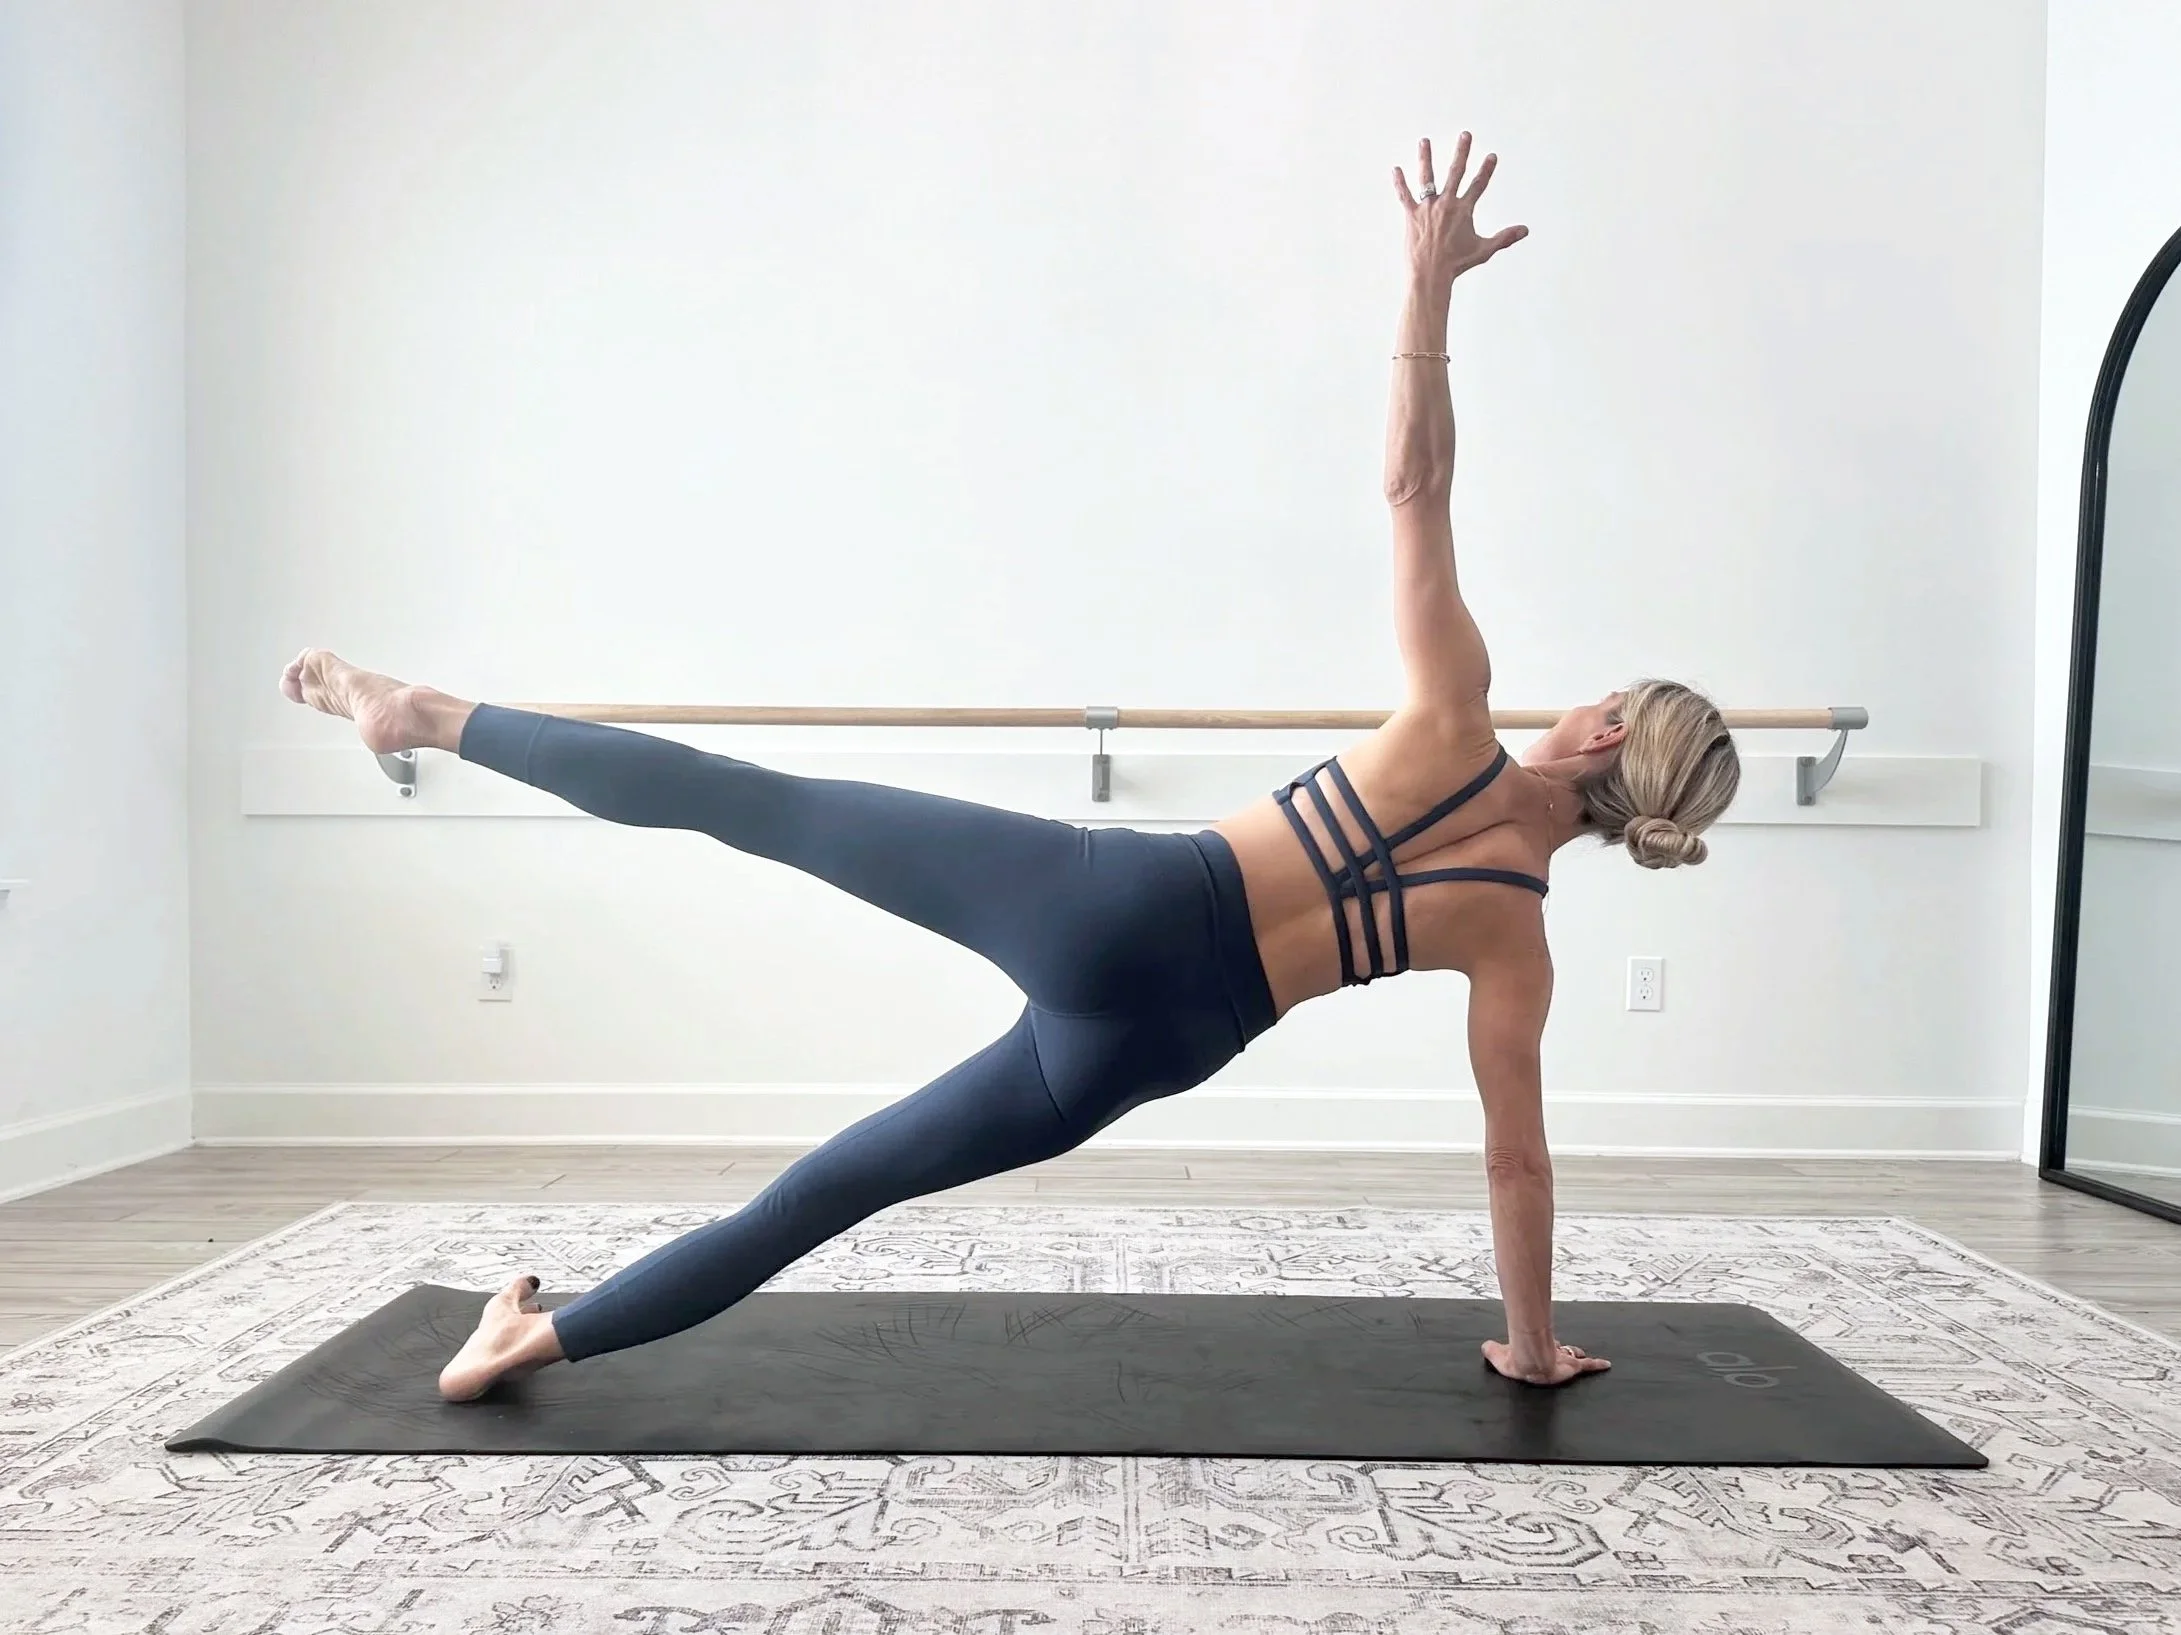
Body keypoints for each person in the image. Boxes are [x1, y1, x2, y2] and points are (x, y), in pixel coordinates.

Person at [282, 134, 1740, 1402]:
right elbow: (1515, 1163)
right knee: (825, 1196)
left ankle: (421, 714)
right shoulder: (1520, 939)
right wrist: (1533, 1348)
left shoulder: (1457, 716)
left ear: (1607, 735)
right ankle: (523, 1350)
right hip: (1156, 1047)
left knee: (753, 803)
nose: (1588, 695)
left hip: (1121, 905)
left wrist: (1425, 287)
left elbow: (1416, 485)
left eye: (1608, 694)